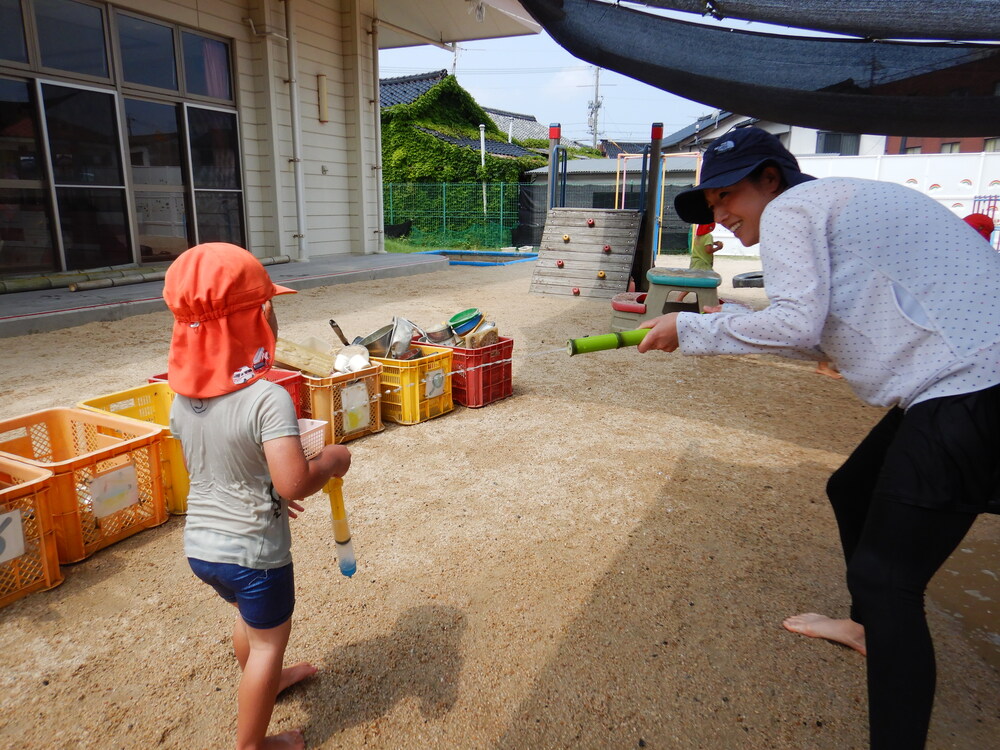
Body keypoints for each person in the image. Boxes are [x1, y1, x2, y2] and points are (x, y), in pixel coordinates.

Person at [637, 126, 1000, 749]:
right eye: (712, 205)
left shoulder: (793, 209)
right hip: (961, 378)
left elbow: (796, 320)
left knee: (890, 581)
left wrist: (691, 330)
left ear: (770, 180)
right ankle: (867, 629)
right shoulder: (832, 203)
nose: (719, 218)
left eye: (727, 198)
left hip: (971, 386)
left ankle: (884, 652)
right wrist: (712, 324)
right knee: (852, 486)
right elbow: (813, 332)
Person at [163, 242, 351, 750]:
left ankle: (271, 679)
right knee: (268, 642)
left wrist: (266, 484)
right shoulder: (267, 397)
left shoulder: (183, 401)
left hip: (203, 548)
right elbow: (294, 481)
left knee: (248, 622)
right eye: (268, 305)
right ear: (254, 321)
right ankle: (254, 744)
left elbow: (209, 467)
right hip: (256, 556)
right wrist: (331, 462)